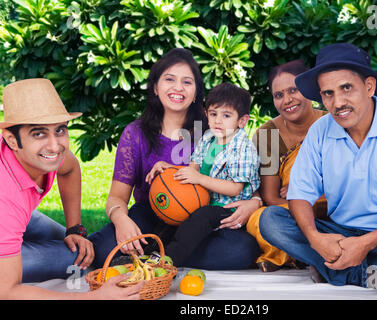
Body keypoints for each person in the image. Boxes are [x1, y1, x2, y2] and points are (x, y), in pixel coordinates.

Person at [259, 43, 377, 297]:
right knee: (271, 220)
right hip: (337, 232)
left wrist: (365, 243)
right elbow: (299, 194)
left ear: (369, 87)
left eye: (346, 88)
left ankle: (332, 269)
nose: (338, 102)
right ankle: (369, 273)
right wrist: (315, 238)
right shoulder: (311, 131)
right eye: (327, 93)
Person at [89, 48, 261, 270]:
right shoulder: (135, 133)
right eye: (169, 79)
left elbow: (242, 178)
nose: (178, 88)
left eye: (187, 82)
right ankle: (164, 252)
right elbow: (116, 197)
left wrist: (254, 203)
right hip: (153, 213)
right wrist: (121, 220)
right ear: (155, 87)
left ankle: (155, 255)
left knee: (241, 250)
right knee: (103, 250)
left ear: (196, 91)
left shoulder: (212, 130)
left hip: (201, 218)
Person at [0, 78, 144, 299]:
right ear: (11, 140)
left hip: (17, 215)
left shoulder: (47, 155)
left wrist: (74, 228)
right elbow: (6, 291)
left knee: (82, 250)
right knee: (75, 262)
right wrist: (94, 298)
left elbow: (70, 168)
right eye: (38, 133)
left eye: (59, 130)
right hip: (8, 210)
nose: (55, 145)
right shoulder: (6, 198)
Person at [147, 82, 260, 267]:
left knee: (201, 217)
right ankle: (150, 253)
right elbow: (193, 168)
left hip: (227, 207)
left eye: (226, 115)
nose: (218, 121)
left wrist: (199, 179)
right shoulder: (208, 138)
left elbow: (234, 188)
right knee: (173, 214)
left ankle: (169, 261)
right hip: (202, 199)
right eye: (213, 114)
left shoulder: (243, 149)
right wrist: (169, 168)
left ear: (242, 121)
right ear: (206, 114)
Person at [248, 60, 328, 272]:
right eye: (279, 95)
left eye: (294, 90)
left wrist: (307, 188)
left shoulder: (334, 123)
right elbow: (272, 198)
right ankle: (320, 251)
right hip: (290, 212)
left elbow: (352, 182)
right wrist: (300, 204)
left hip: (335, 209)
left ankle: (295, 252)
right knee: (261, 219)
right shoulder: (268, 135)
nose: (287, 100)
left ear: (311, 89)